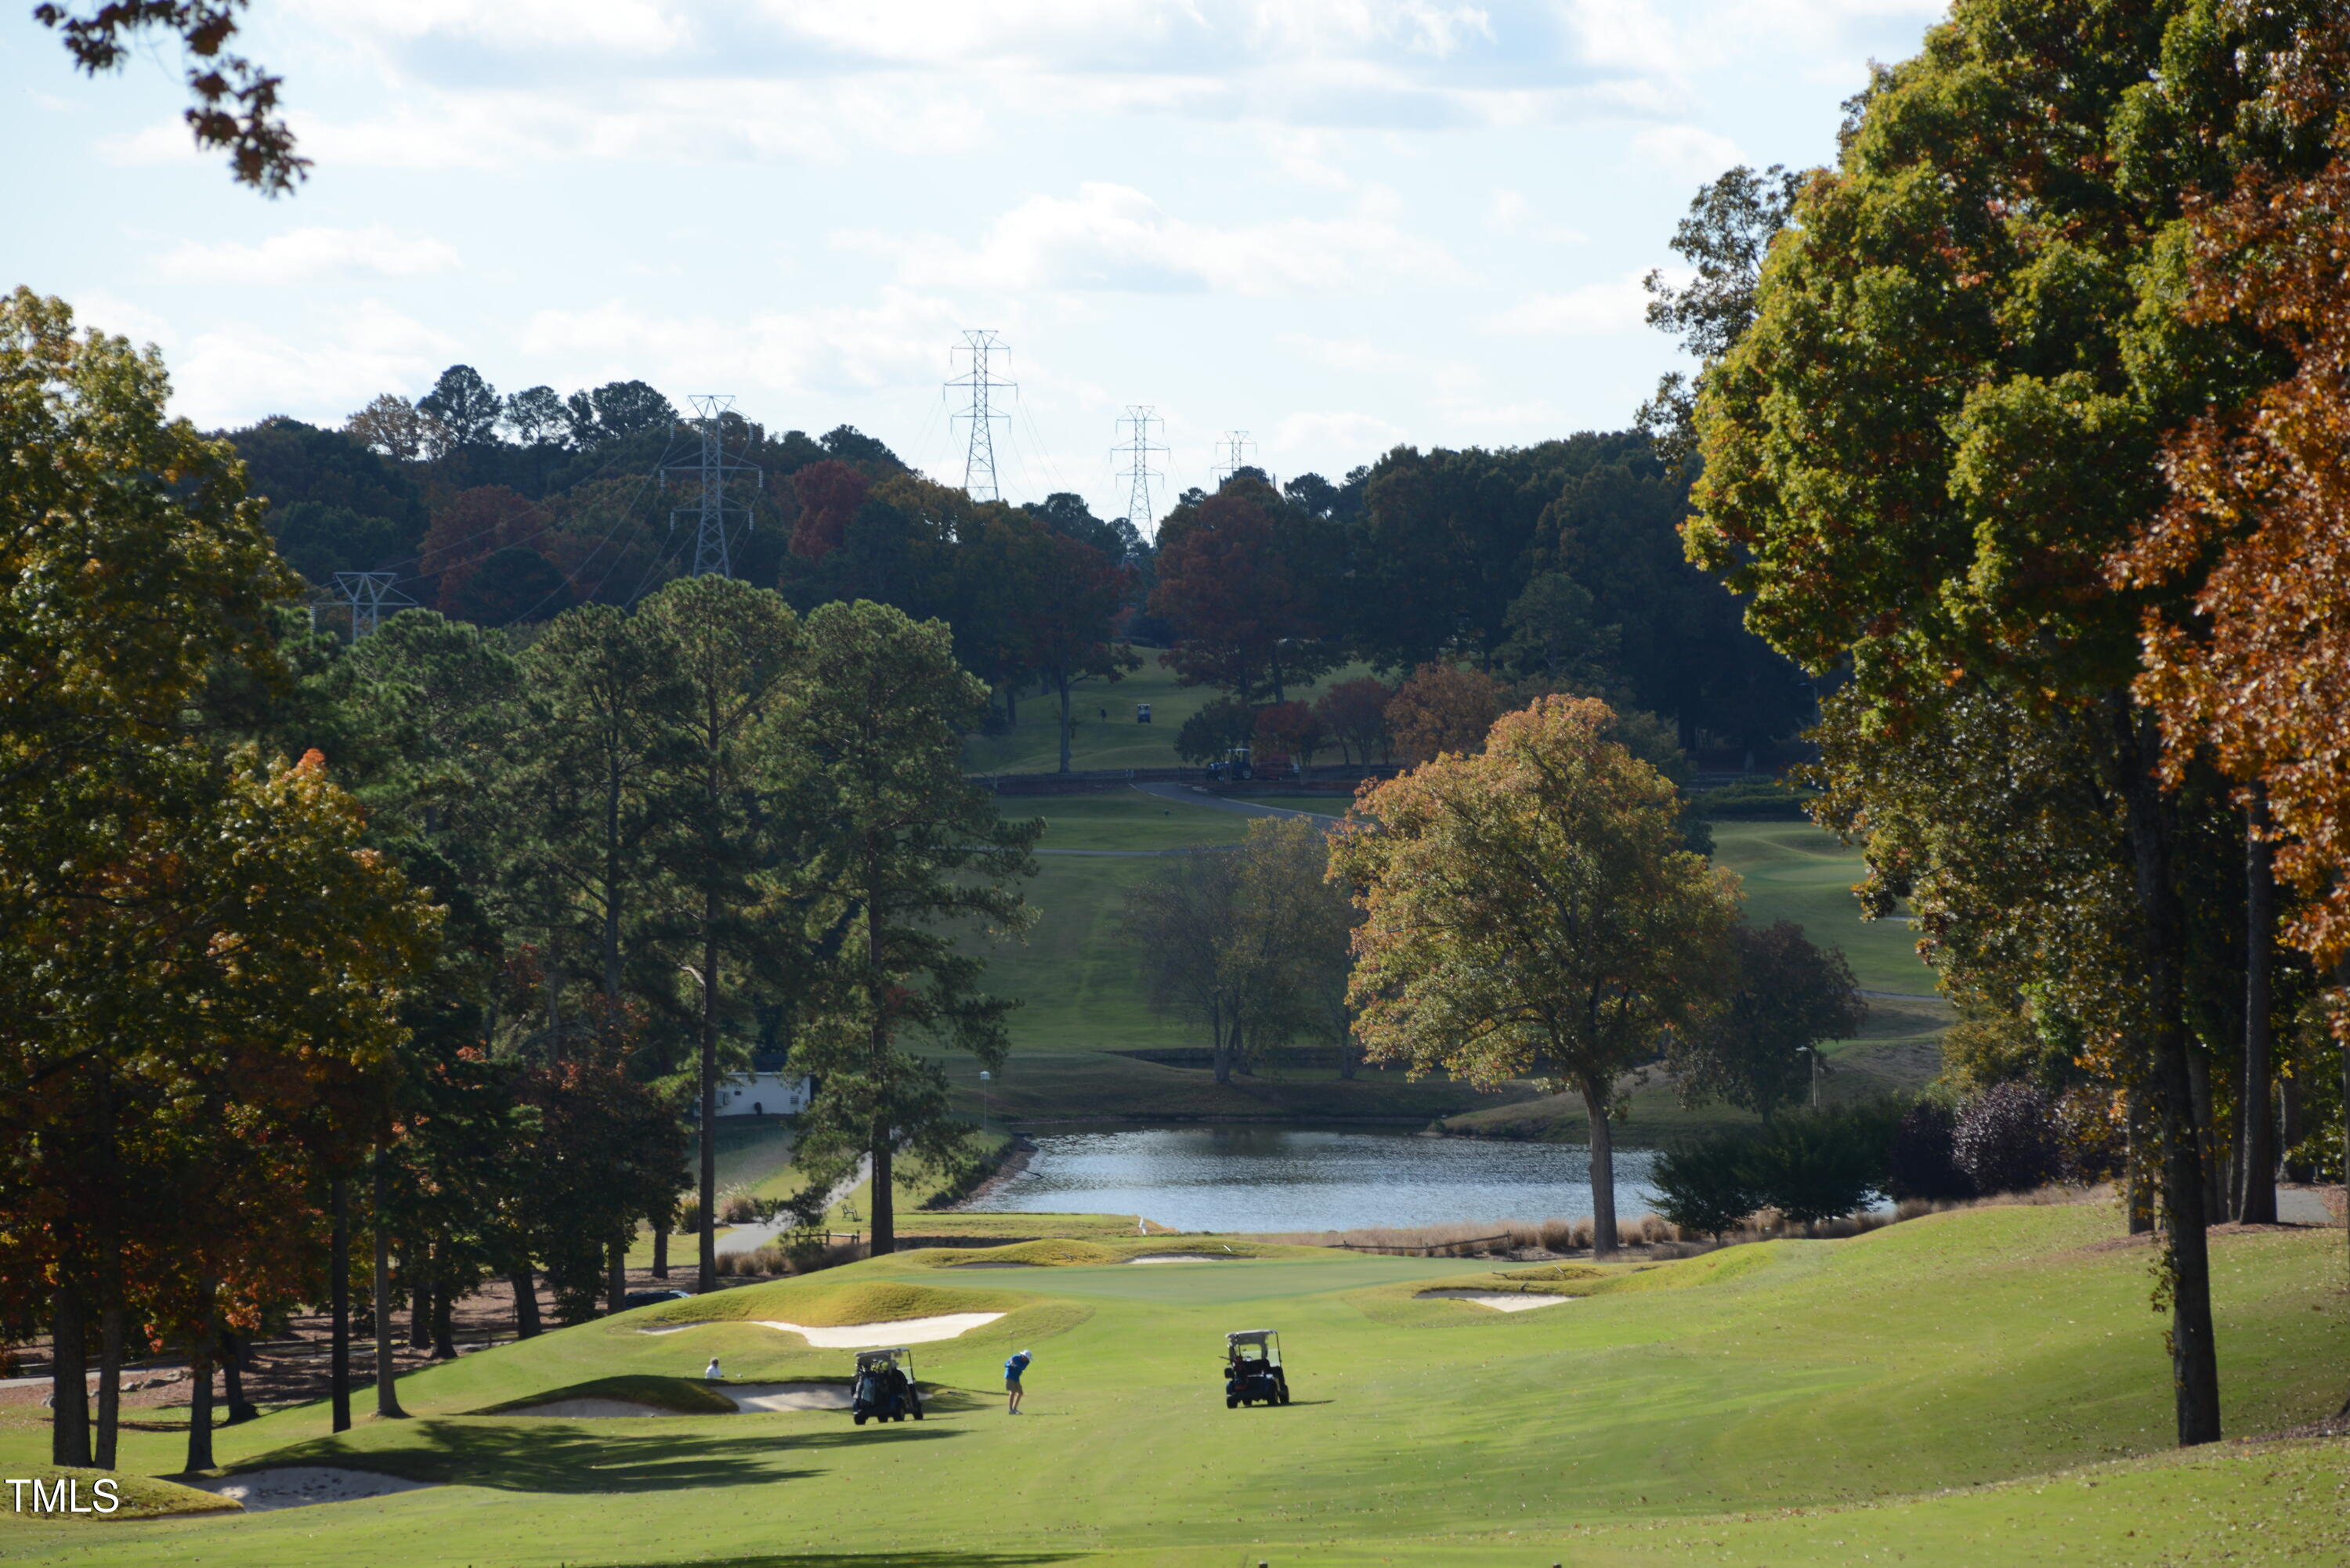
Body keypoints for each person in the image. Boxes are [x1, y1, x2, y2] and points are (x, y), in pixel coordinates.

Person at [1003, 1348, 1032, 1414]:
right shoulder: (1015, 1357)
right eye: (1027, 1358)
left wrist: (1015, 1365)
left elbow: (1022, 1368)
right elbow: (1005, 1364)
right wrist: (1010, 1364)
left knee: (1020, 1393)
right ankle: (1011, 1409)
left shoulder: (1027, 1362)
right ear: (1023, 1356)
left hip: (1016, 1378)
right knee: (1012, 1392)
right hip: (1010, 1376)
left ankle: (1015, 1408)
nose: (1027, 1359)